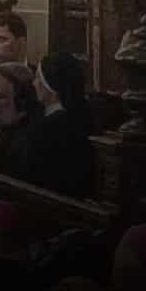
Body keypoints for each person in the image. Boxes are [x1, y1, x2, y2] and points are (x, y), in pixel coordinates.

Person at [21, 52, 95, 197]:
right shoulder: (78, 117)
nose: (34, 83)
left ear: (50, 87)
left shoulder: (50, 127)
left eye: (37, 78)